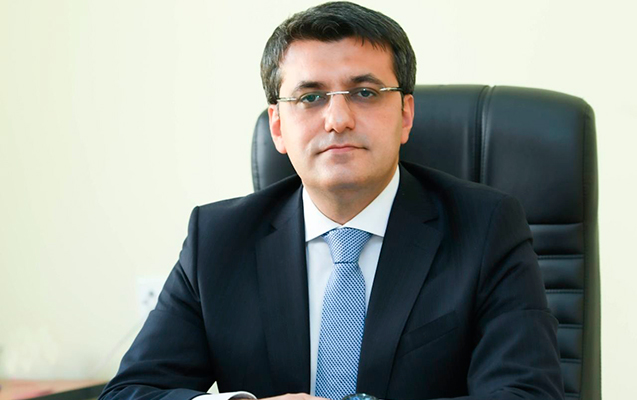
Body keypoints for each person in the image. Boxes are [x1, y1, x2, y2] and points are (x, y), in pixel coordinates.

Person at [99, 2, 564, 400]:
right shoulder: (218, 239)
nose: (338, 119)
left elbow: (525, 394)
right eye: (310, 97)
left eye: (365, 93)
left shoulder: (486, 228)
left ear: (405, 115)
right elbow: (130, 392)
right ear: (278, 126)